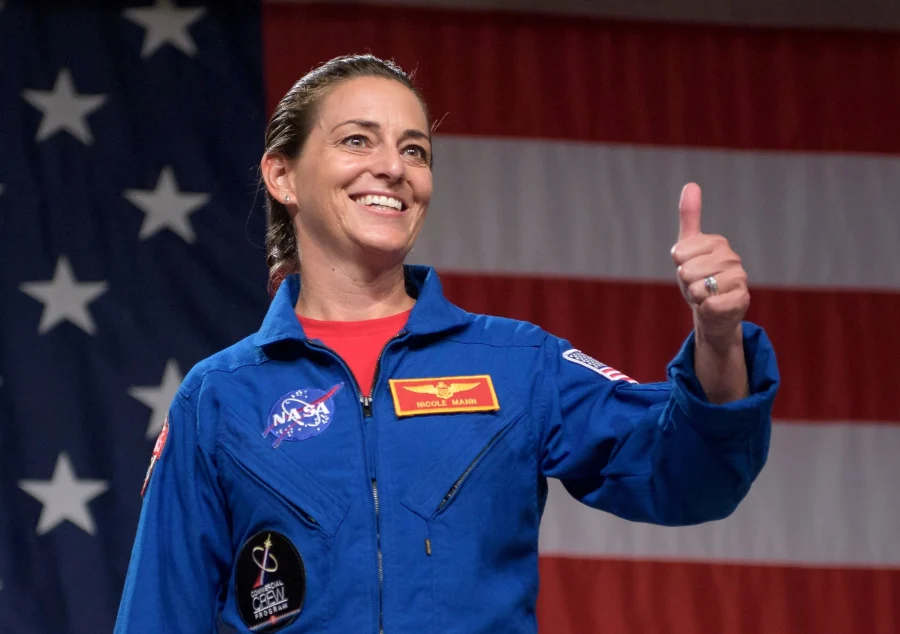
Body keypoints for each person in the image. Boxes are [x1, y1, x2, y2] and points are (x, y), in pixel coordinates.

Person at [114, 54, 779, 634]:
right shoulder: (219, 398)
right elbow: (157, 616)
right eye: (357, 140)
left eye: (415, 151)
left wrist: (718, 338)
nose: (392, 168)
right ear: (282, 176)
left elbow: (693, 480)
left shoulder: (518, 366)